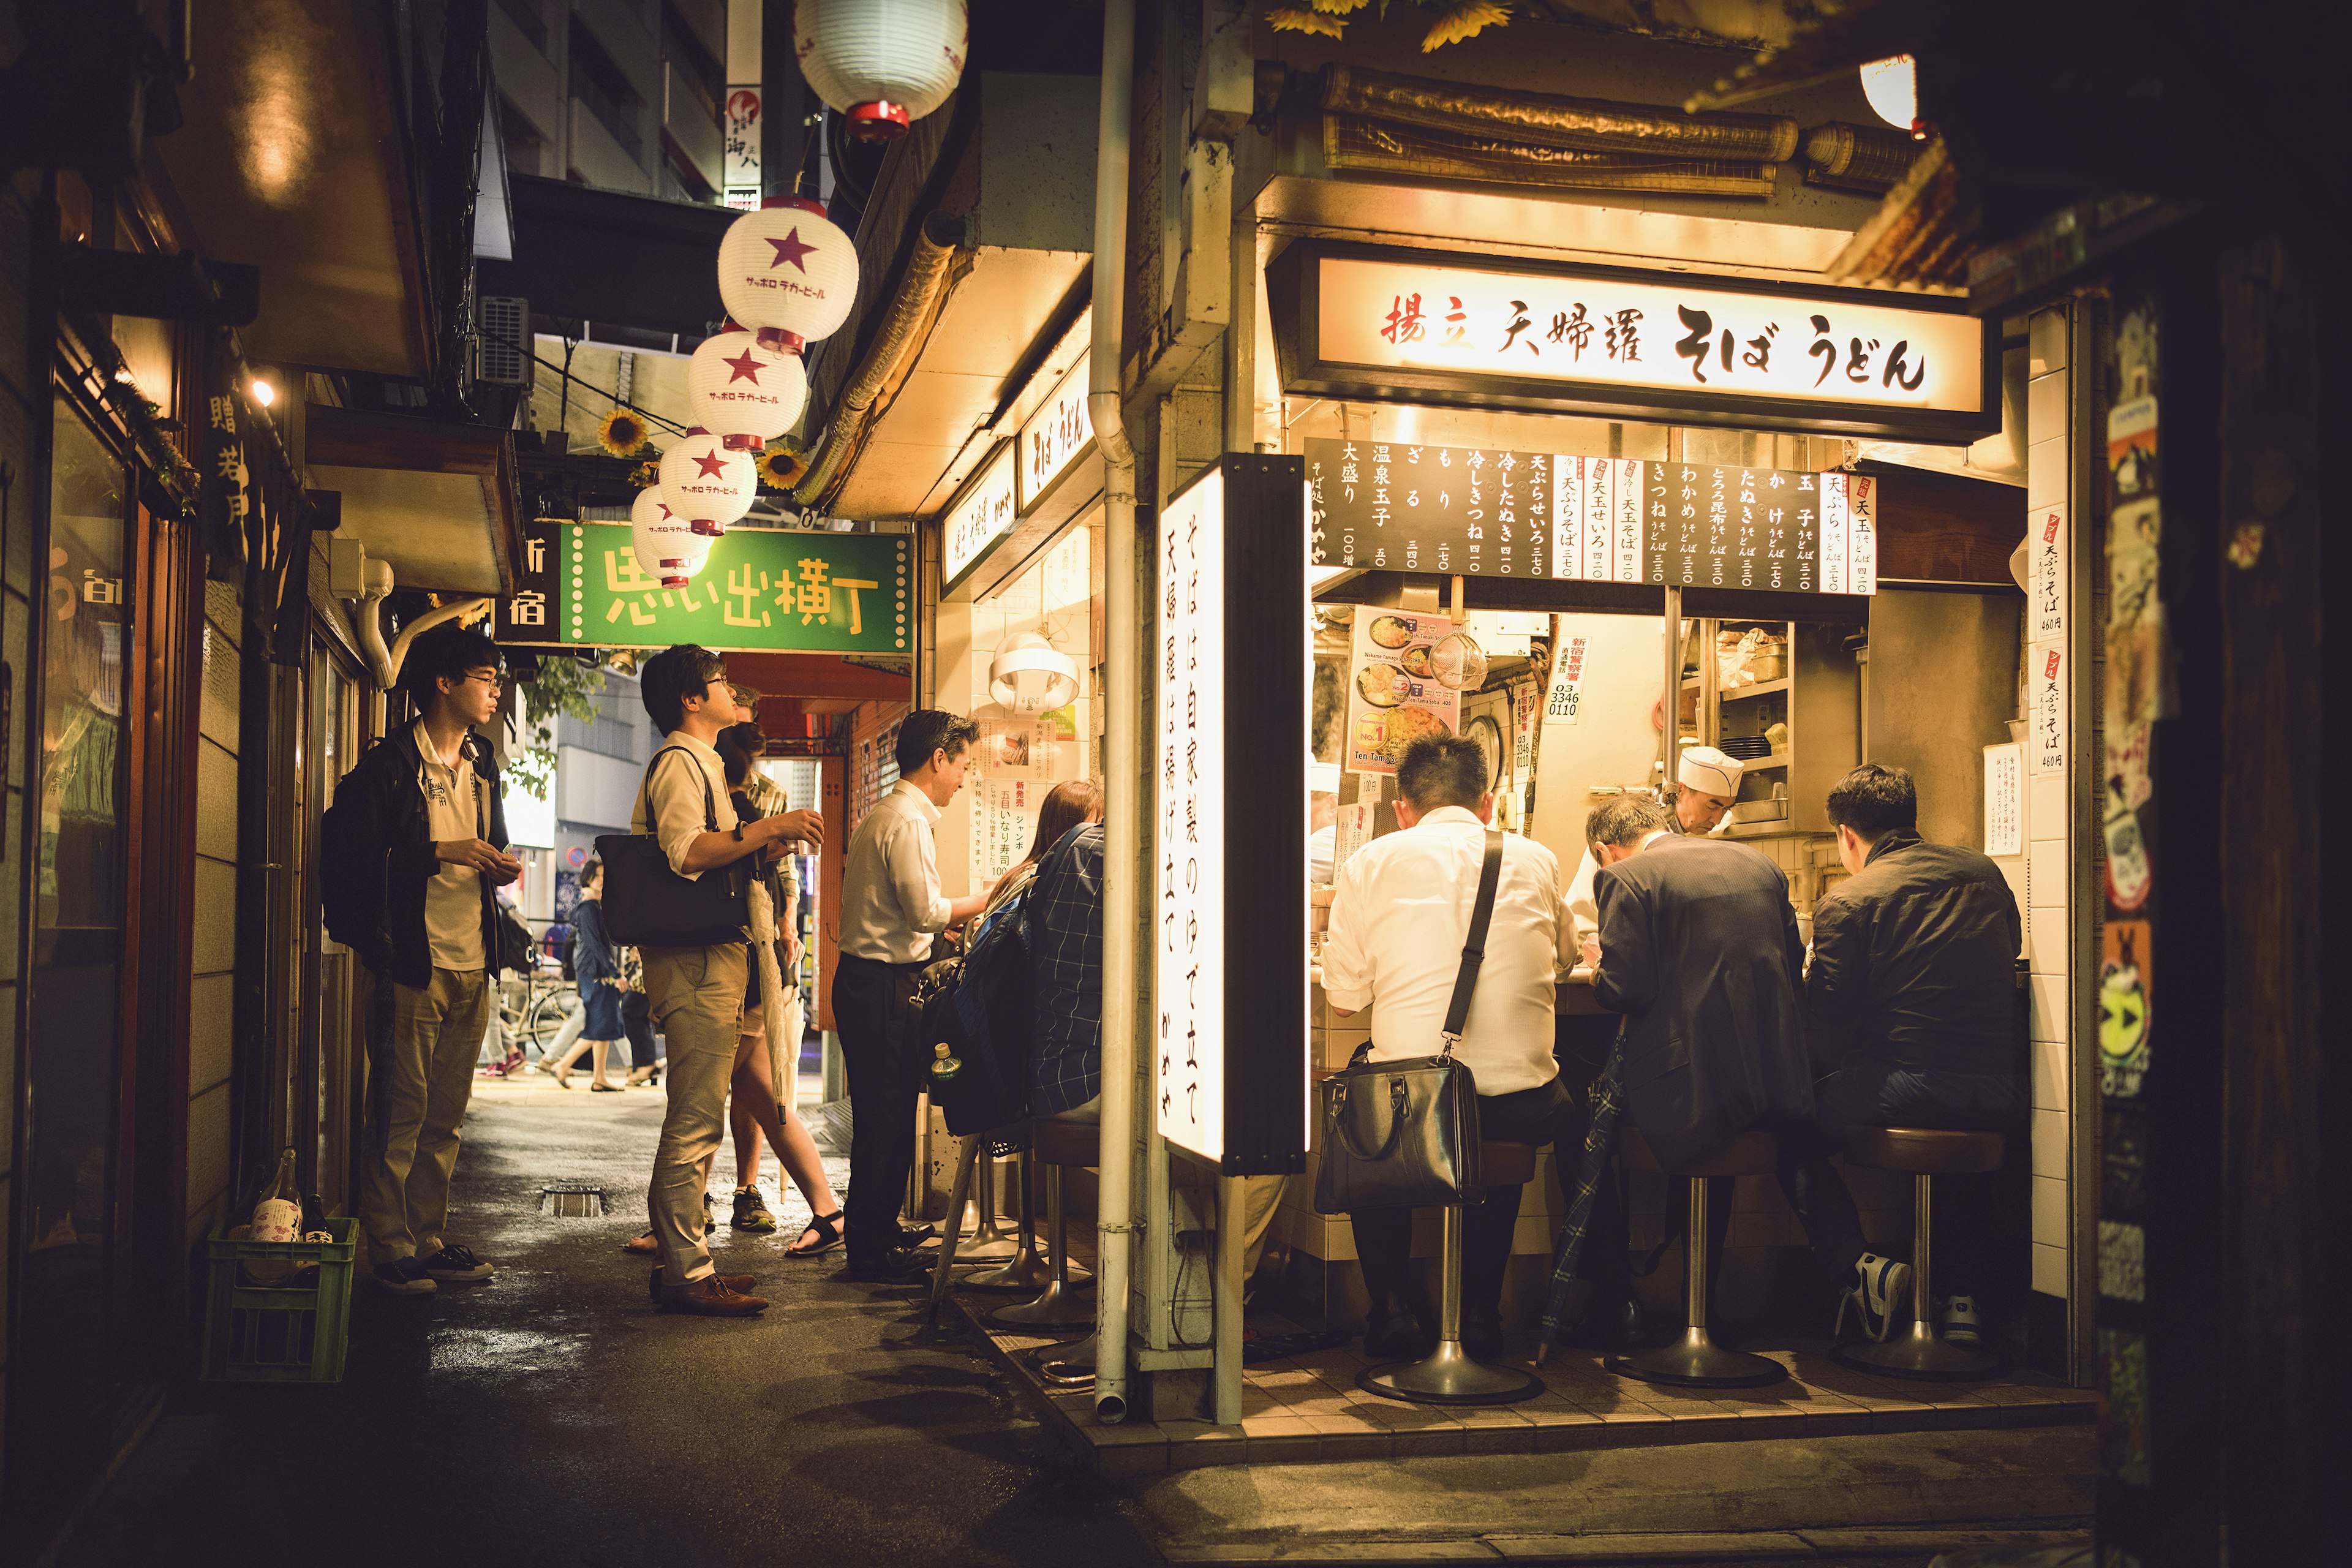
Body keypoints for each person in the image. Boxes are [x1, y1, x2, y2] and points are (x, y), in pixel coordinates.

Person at [1321, 735, 1596, 1361]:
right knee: (1492, 1131)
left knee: (1371, 1120)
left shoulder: (1370, 862)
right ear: (1488, 803)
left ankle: (1390, 1310)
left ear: (1403, 807)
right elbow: (1563, 958)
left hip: (1416, 1107)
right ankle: (1479, 1314)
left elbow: (1341, 1001)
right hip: (1520, 1106)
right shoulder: (1534, 859)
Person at [1777, 764, 2026, 1345]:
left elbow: (1828, 1014)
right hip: (1999, 1093)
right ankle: (1961, 1299)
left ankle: (1861, 1270)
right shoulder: (1982, 874)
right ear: (1911, 819)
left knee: (1788, 1128)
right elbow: (2009, 950)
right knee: (1957, 1152)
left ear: (1846, 835)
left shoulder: (1849, 900)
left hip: (1899, 1087)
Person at [630, 646, 824, 1316]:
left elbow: (713, 853)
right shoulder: (682, 761)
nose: (731, 691)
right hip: (695, 960)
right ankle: (685, 1272)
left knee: (700, 1116)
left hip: (710, 955)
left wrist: (763, 844)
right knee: (693, 1121)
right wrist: (769, 825)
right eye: (719, 682)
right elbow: (688, 852)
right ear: (691, 698)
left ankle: (689, 1263)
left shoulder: (703, 760)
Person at [339, 624, 524, 1295]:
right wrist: (439, 852)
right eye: (485, 676)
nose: (495, 688)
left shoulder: (482, 763)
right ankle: (388, 1248)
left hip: (473, 960)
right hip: (410, 962)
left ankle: (426, 1236)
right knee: (398, 1111)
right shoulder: (390, 765)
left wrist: (499, 865)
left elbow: (489, 848)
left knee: (446, 1116)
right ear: (444, 683)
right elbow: (357, 858)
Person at [834, 709, 991, 1283]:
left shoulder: (894, 814)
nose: (963, 779)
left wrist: (936, 929)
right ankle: (870, 1252)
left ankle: (874, 1234)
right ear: (939, 759)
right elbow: (924, 910)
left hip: (872, 980)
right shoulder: (906, 820)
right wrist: (989, 895)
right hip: (881, 987)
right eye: (963, 765)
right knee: (887, 1118)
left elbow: (910, 917)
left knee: (887, 1116)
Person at [1582, 793, 1812, 1172]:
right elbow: (1793, 967)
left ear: (1603, 851)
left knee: (1589, 1116)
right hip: (1777, 1084)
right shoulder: (1759, 864)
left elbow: (1624, 990)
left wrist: (1599, 970)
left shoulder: (1623, 877)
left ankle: (1640, 1234)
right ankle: (1691, 1232)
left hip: (1689, 1099)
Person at [713, 722, 845, 1257]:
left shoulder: (739, 819)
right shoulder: (756, 819)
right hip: (758, 969)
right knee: (769, 1101)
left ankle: (680, 1227)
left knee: (700, 1102)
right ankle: (828, 1213)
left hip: (741, 969)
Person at [1565, 745, 1744, 954]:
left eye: (1726, 809)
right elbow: (1584, 923)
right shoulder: (1629, 836)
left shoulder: (1686, 845)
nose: (1717, 819)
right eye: (1712, 807)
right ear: (1680, 791)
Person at [547, 859, 625, 1091]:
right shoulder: (589, 908)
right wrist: (615, 972)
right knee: (600, 1025)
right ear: (588, 878)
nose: (602, 881)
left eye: (604, 876)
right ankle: (562, 1065)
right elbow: (595, 945)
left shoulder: (593, 906)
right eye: (598, 876)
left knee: (604, 1025)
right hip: (596, 973)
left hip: (594, 971)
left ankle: (599, 1078)